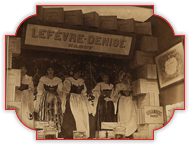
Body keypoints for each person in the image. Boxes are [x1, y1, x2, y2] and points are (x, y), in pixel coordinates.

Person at [58, 65, 92, 139]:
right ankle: (70, 134)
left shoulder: (82, 81)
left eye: (80, 72)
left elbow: (84, 92)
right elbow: (66, 92)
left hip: (80, 99)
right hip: (72, 99)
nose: (78, 74)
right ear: (73, 73)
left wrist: (85, 100)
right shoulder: (68, 80)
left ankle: (82, 133)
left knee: (82, 115)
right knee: (72, 115)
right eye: (77, 72)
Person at [35, 62, 63, 132]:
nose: (50, 71)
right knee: (46, 113)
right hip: (45, 99)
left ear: (54, 71)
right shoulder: (43, 79)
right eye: (49, 70)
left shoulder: (58, 80)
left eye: (52, 70)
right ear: (46, 71)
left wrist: (55, 95)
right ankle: (45, 130)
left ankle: (55, 130)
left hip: (55, 99)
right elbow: (39, 89)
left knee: (55, 112)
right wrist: (45, 94)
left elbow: (60, 90)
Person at [111, 72, 137, 137]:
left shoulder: (131, 85)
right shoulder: (118, 85)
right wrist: (117, 98)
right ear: (122, 78)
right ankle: (123, 132)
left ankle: (130, 131)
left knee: (131, 115)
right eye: (125, 77)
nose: (126, 79)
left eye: (128, 78)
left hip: (130, 101)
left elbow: (133, 94)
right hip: (122, 101)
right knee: (123, 116)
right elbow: (114, 96)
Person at [15, 63, 35, 128]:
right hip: (17, 95)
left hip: (25, 96)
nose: (23, 70)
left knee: (25, 110)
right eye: (21, 68)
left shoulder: (29, 78)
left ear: (26, 70)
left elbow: (31, 88)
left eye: (24, 69)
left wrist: (27, 88)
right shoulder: (15, 77)